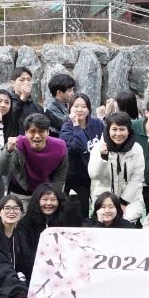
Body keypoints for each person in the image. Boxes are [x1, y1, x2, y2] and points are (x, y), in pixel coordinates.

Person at [0, 113, 68, 208]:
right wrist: (8, 151)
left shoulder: (60, 147)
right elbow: (3, 171)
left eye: (41, 131)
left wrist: (52, 195)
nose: (37, 136)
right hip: (21, 192)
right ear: (26, 132)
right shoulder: (17, 145)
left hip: (46, 193)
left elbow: (60, 176)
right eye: (32, 131)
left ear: (48, 132)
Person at [88, 112, 145, 225]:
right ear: (108, 130)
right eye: (114, 129)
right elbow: (94, 175)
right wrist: (103, 158)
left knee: (127, 224)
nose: (118, 133)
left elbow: (137, 178)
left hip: (130, 200)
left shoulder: (137, 149)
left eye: (122, 129)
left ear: (128, 131)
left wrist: (123, 202)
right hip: (104, 199)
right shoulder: (98, 147)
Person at [59, 93, 104, 223]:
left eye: (84, 106)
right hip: (76, 179)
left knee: (100, 212)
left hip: (97, 176)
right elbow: (80, 146)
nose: (79, 110)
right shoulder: (66, 128)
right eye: (76, 106)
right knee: (81, 214)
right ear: (70, 108)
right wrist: (76, 125)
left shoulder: (97, 124)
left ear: (89, 109)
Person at [17, 183, 81, 249]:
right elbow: (24, 250)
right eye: (45, 199)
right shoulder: (25, 223)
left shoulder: (64, 220)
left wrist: (73, 204)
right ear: (37, 201)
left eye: (53, 199)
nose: (49, 203)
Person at [4, 67, 43, 139]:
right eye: (22, 80)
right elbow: (10, 119)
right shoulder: (6, 103)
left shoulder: (37, 107)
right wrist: (22, 99)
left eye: (29, 80)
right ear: (12, 83)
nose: (26, 83)